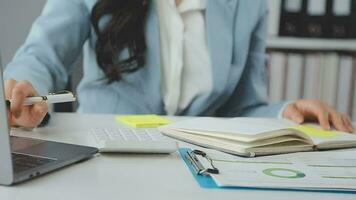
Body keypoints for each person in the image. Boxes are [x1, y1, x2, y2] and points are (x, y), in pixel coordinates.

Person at [3, 0, 355, 132]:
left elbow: (244, 107)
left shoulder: (249, 5)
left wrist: (286, 112)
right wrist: (23, 90)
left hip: (197, 166)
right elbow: (41, 56)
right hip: (104, 150)